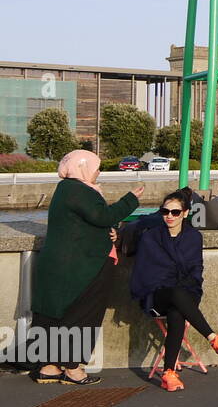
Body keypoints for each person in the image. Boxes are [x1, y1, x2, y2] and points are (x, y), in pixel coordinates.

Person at [30, 150, 144, 385]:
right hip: (83, 266)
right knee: (84, 315)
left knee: (56, 314)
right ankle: (73, 369)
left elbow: (86, 223)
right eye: (96, 167)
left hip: (62, 265)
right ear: (82, 167)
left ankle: (49, 367)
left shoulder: (66, 189)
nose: (98, 172)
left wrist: (109, 231)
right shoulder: (78, 190)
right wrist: (131, 199)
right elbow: (101, 216)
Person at [129, 187, 218, 392]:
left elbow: (196, 270)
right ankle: (213, 338)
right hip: (155, 294)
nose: (169, 216)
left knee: (177, 309)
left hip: (186, 293)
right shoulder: (150, 237)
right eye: (165, 212)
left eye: (175, 212)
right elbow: (146, 273)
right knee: (176, 297)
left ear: (186, 213)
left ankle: (169, 372)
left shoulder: (193, 237)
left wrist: (185, 287)